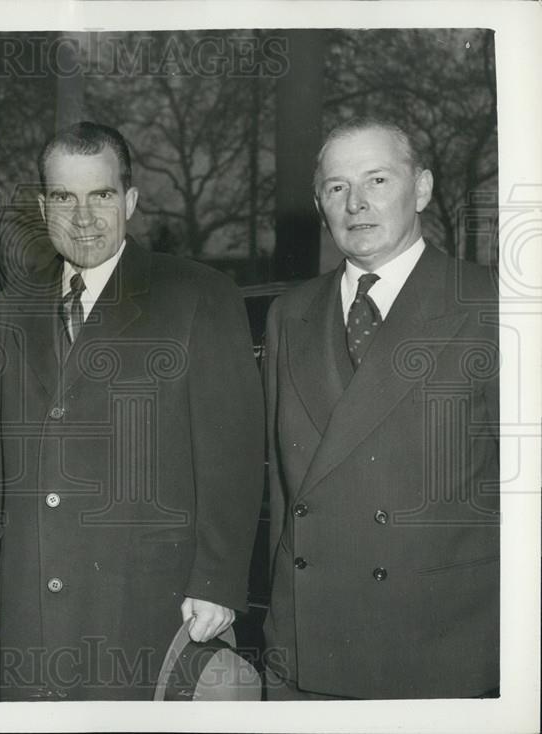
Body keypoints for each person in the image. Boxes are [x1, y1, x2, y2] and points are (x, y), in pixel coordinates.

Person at [0, 121, 265, 701]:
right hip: (30, 597)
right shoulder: (8, 310)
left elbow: (233, 451)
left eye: (101, 195)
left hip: (147, 599)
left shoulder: (196, 295)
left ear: (130, 200)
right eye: (64, 197)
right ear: (42, 206)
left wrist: (217, 580)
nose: (83, 216)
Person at [262, 117, 500, 699]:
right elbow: (279, 491)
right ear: (319, 204)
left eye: (378, 180)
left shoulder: (491, 303)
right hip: (307, 646)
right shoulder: (288, 315)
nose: (357, 204)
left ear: (421, 188)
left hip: (443, 645)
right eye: (337, 187)